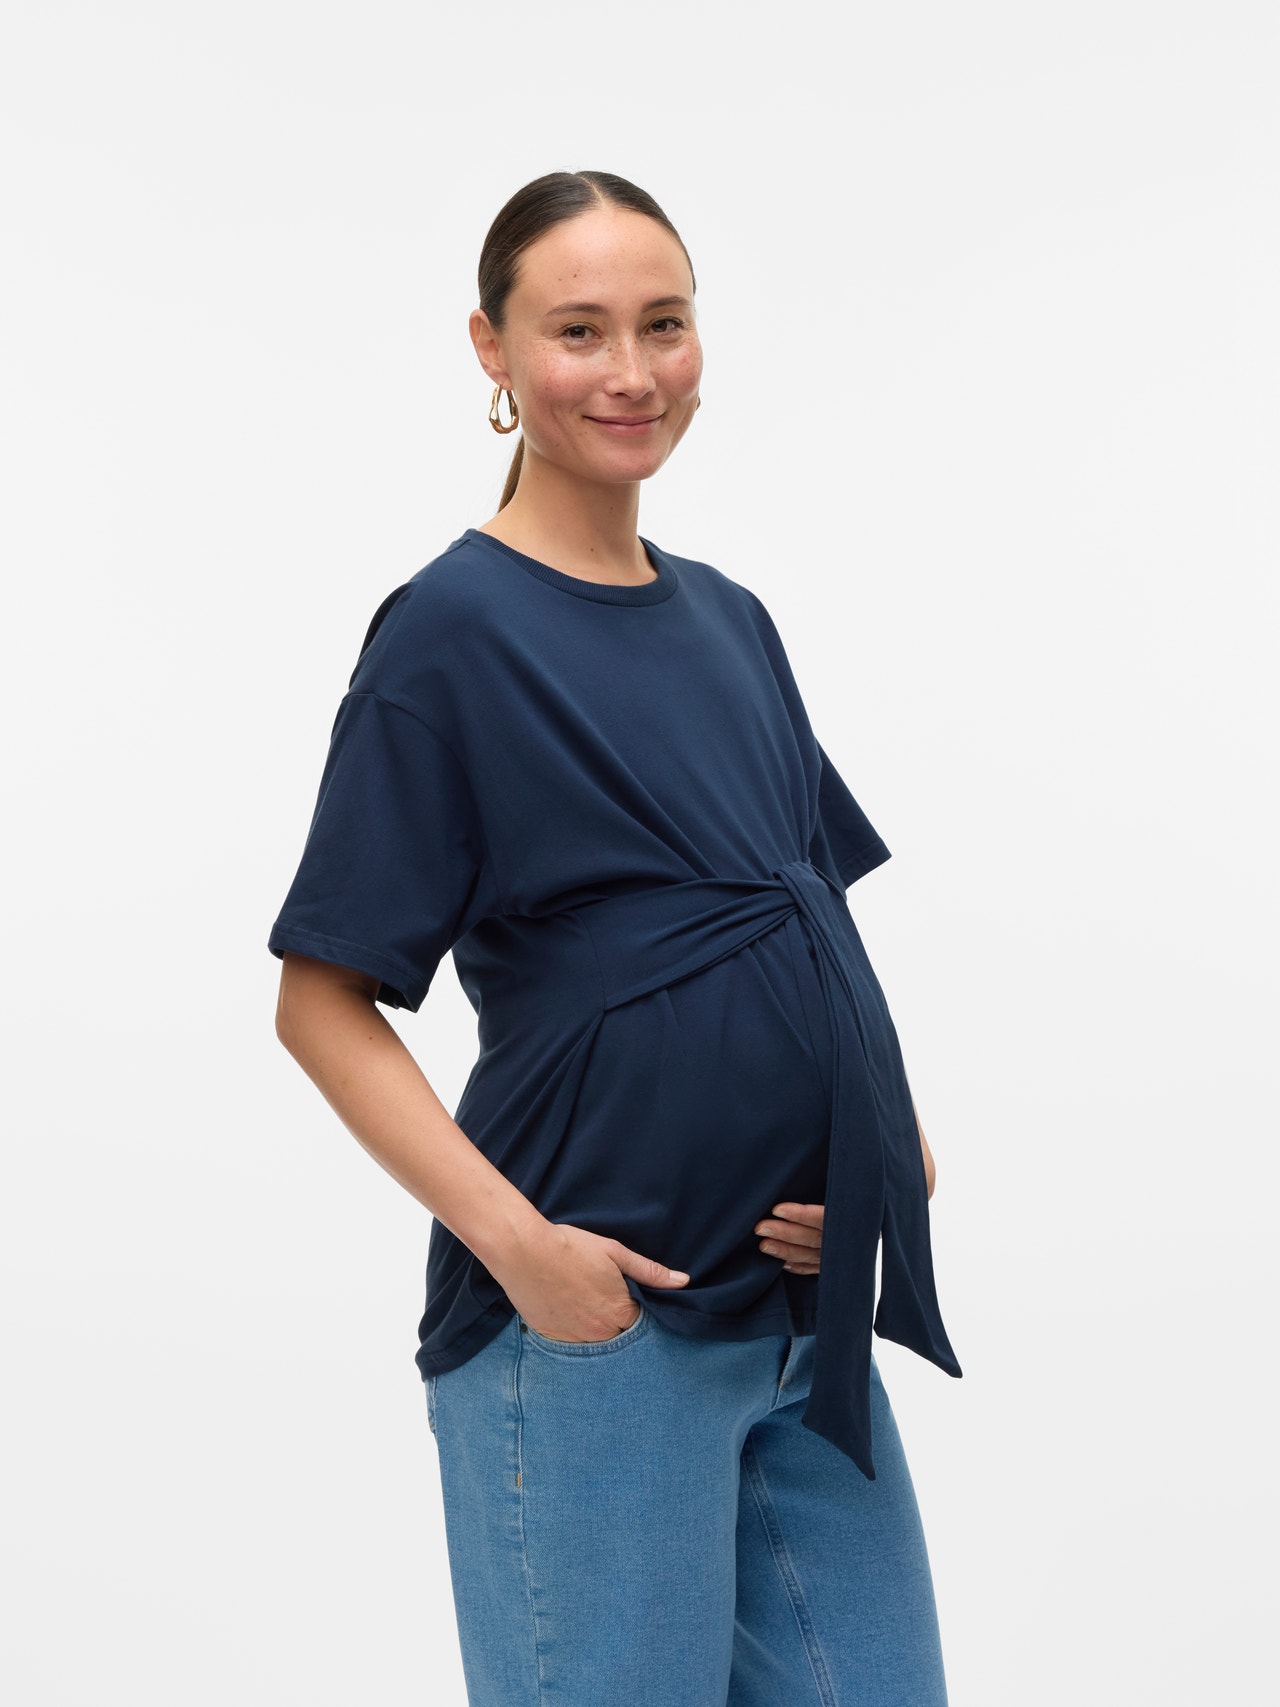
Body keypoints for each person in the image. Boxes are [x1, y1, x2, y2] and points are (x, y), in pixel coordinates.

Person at [268, 168, 963, 1706]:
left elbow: (809, 911)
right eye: (578, 330)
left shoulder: (733, 620)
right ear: (492, 349)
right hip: (603, 1329)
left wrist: (887, 1149)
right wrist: (532, 1260)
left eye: (665, 323)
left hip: (800, 1317)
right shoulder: (448, 634)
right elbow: (320, 1004)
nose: (633, 371)